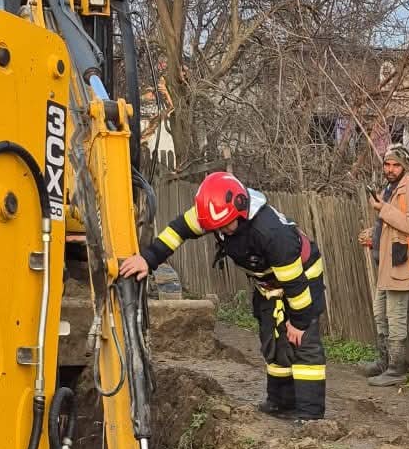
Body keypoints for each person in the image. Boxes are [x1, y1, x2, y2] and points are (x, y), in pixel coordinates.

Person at [120, 172, 328, 422]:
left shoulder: (271, 233)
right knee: (272, 339)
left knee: (302, 343)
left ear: (240, 210)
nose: (221, 231)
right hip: (269, 283)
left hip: (302, 278)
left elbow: (295, 284)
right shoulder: (210, 214)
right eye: (215, 228)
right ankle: (281, 403)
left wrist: (299, 322)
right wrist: (148, 259)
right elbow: (177, 231)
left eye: (226, 225)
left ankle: (310, 416)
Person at [361, 144, 409, 388]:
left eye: (396, 165)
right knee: (380, 315)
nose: (390, 169)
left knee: (395, 317)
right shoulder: (390, 189)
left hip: (403, 265)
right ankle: (384, 362)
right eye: (387, 164)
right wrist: (373, 234)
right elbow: (390, 224)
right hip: (386, 265)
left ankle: (396, 369)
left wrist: (383, 209)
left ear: (405, 167)